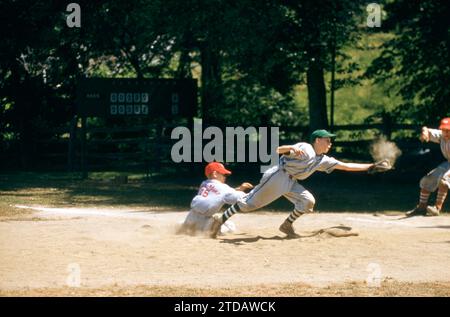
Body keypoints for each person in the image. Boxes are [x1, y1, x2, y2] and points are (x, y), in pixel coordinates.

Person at [209, 129, 376, 239]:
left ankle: (286, 225)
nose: (330, 143)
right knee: (248, 204)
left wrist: (371, 167)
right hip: (278, 176)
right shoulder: (306, 148)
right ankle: (220, 219)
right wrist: (291, 148)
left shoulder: (322, 159)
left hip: (291, 181)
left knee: (308, 201)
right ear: (317, 140)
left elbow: (345, 166)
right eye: (327, 140)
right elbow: (278, 150)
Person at [177, 162, 253, 235]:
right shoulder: (223, 188)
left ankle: (186, 226)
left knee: (190, 227)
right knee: (230, 226)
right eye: (224, 174)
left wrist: (240, 188)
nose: (225, 177)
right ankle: (210, 227)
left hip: (191, 216)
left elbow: (224, 192)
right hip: (204, 222)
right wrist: (255, 192)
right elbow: (240, 197)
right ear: (215, 174)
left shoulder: (205, 183)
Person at [406, 118, 450, 217]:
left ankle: (437, 208)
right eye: (444, 130)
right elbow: (426, 129)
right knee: (428, 179)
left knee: (444, 180)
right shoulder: (442, 135)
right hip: (448, 163)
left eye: (448, 130)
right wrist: (424, 134)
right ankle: (421, 208)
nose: (446, 133)